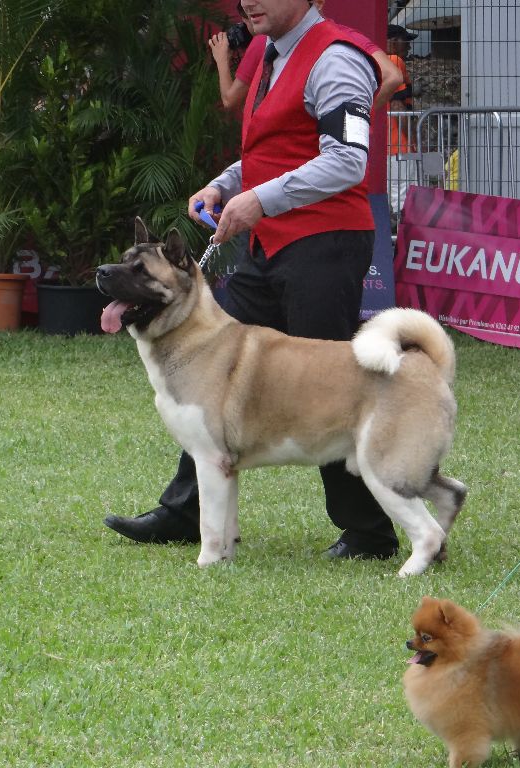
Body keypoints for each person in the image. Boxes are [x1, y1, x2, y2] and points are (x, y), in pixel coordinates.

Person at [105, 0, 400, 560]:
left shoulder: (338, 59)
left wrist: (259, 200)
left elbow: (347, 161)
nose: (248, 2)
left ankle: (369, 532)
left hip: (326, 245)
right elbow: (270, 152)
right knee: (205, 367)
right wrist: (223, 184)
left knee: (330, 384)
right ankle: (186, 513)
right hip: (269, 245)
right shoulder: (266, 51)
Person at [210, 1, 402, 113]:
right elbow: (392, 76)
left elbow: (230, 99)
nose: (249, 9)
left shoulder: (264, 41)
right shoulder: (348, 36)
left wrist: (221, 59)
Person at [386, 24, 418, 216]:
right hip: (399, 142)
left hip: (385, 144)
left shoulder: (378, 62)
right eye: (406, 41)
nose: (409, 46)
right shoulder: (394, 61)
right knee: (405, 193)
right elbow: (398, 106)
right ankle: (405, 239)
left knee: (394, 192)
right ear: (393, 42)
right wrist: (413, 140)